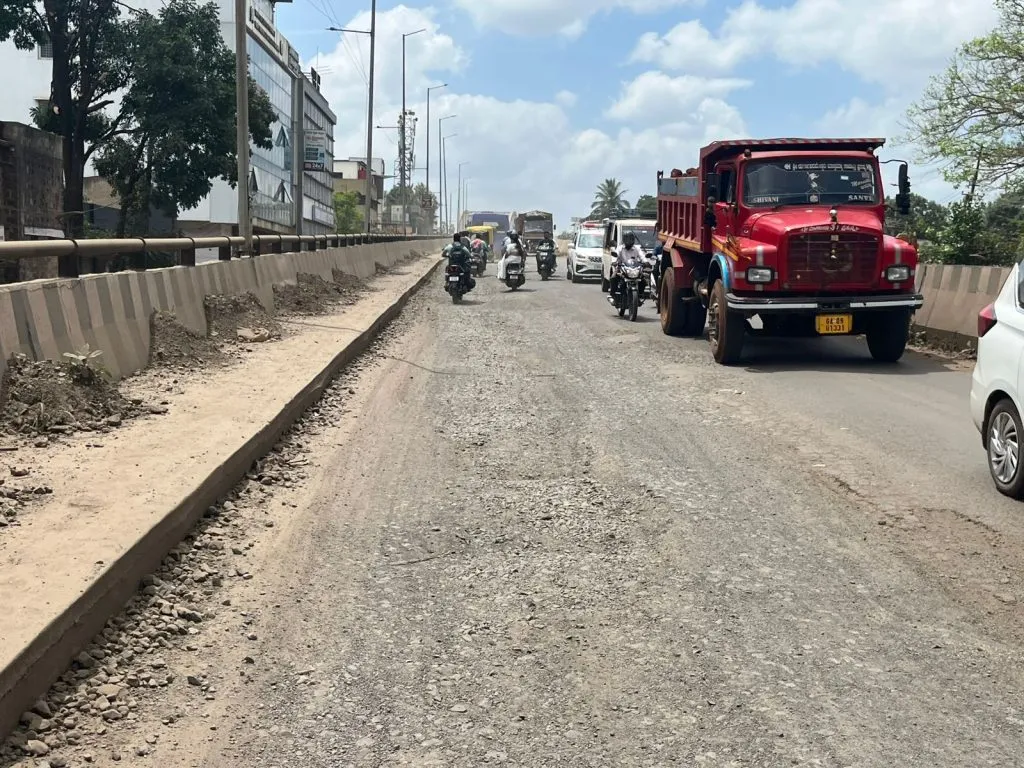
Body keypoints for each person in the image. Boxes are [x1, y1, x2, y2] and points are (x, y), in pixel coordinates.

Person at [609, 230, 645, 301]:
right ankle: (613, 295)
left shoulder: (637, 248)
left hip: (634, 269)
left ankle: (640, 294)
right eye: (627, 239)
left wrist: (646, 262)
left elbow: (642, 256)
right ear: (624, 240)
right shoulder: (620, 248)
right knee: (613, 278)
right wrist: (614, 262)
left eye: (630, 239)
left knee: (643, 280)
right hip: (621, 268)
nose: (629, 241)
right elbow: (615, 256)